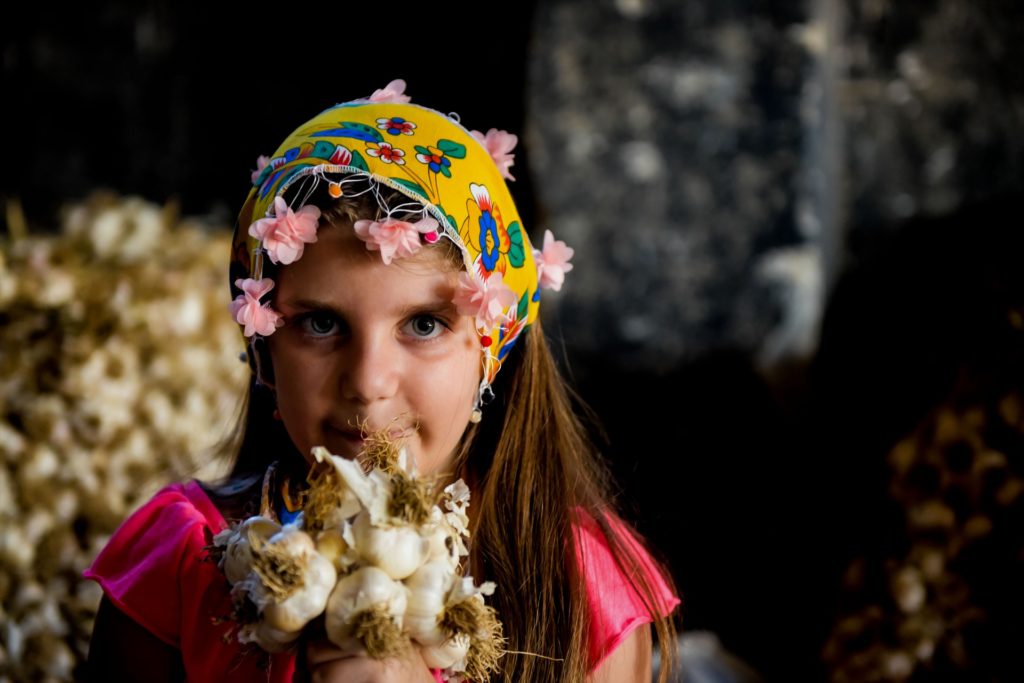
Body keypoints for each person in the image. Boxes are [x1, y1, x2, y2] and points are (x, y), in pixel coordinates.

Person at [84, 79, 679, 683]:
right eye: (320, 323)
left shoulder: (579, 589)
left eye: (424, 323)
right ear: (264, 347)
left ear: (491, 349)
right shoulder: (180, 569)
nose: (367, 383)